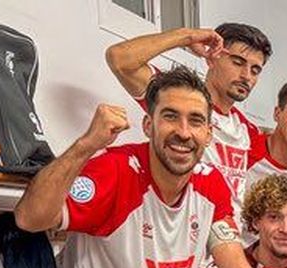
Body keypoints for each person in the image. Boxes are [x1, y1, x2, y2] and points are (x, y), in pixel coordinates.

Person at [10, 67, 256, 268]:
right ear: (148, 125)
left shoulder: (211, 184)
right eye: (170, 117)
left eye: (195, 120)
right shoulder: (116, 171)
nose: (183, 132)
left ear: (208, 134)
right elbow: (28, 218)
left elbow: (233, 267)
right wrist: (86, 144)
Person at [105, 22, 274, 202]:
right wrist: (187, 36)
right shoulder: (176, 99)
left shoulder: (245, 128)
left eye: (255, 70)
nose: (246, 76)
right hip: (182, 221)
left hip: (228, 227)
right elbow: (120, 59)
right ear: (212, 58)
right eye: (238, 62)